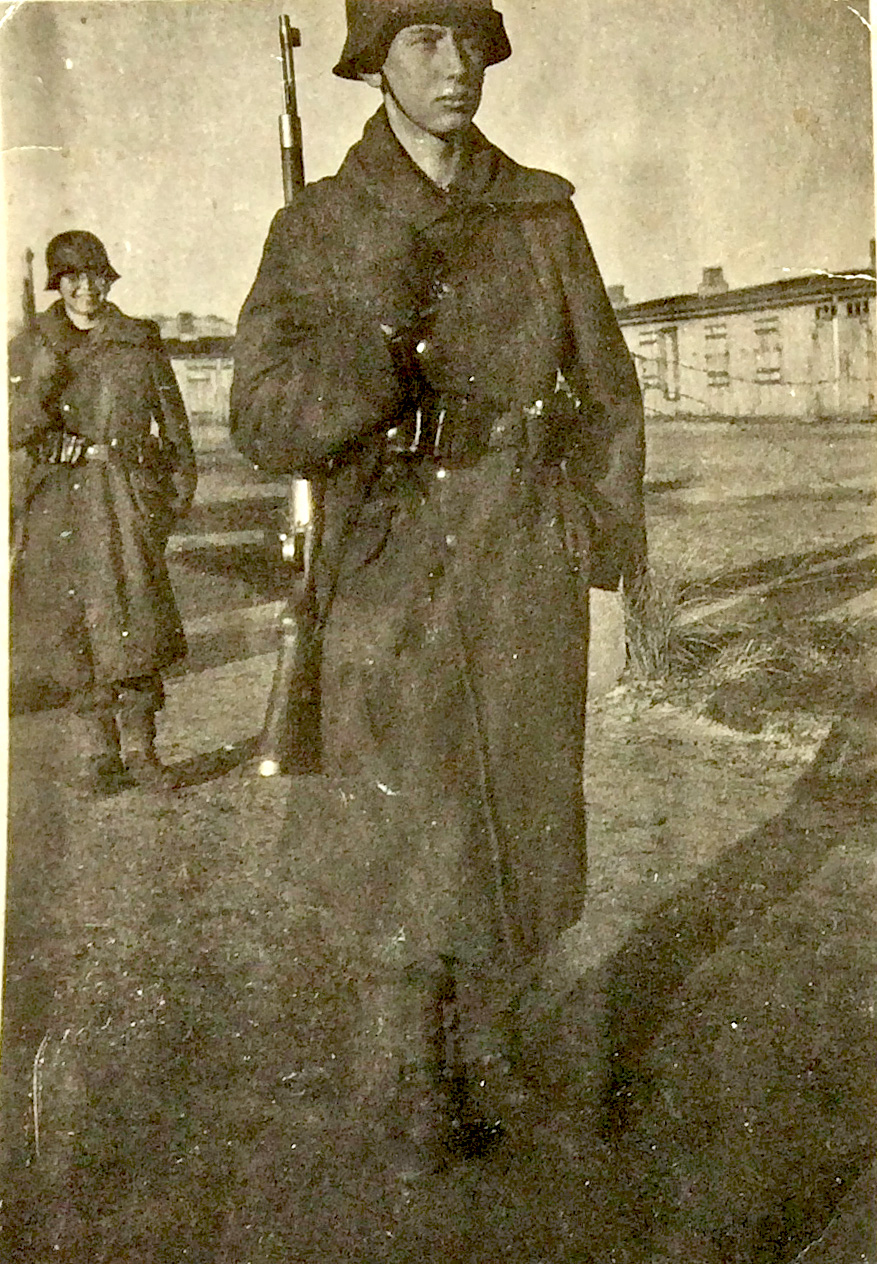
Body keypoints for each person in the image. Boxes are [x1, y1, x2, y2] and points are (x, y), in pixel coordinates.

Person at [231, 0, 646, 1168]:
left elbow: (609, 392)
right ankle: (418, 1072)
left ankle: (493, 1042)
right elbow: (260, 415)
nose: (456, 65)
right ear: (375, 66)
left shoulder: (542, 215)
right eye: (424, 40)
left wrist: (598, 547)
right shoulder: (318, 223)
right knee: (404, 819)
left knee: (518, 804)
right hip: (388, 555)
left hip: (520, 552)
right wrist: (365, 356)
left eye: (470, 42)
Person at [9, 230, 197, 793]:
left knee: (134, 621)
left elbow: (175, 427)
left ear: (108, 279)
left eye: (95, 275)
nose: (85, 288)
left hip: (124, 498)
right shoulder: (31, 345)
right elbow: (14, 424)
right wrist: (46, 435)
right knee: (77, 630)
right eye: (72, 277)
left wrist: (164, 503)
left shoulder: (139, 340)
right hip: (61, 504)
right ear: (58, 284)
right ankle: (99, 753)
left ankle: (141, 750)